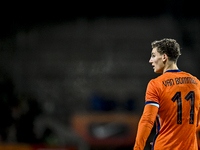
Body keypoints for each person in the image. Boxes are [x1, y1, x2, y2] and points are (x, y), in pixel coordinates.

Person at [133, 38, 200, 150]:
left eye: (153, 56)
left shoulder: (156, 84)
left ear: (164, 57)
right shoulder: (196, 82)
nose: (150, 60)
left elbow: (147, 120)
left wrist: (138, 148)